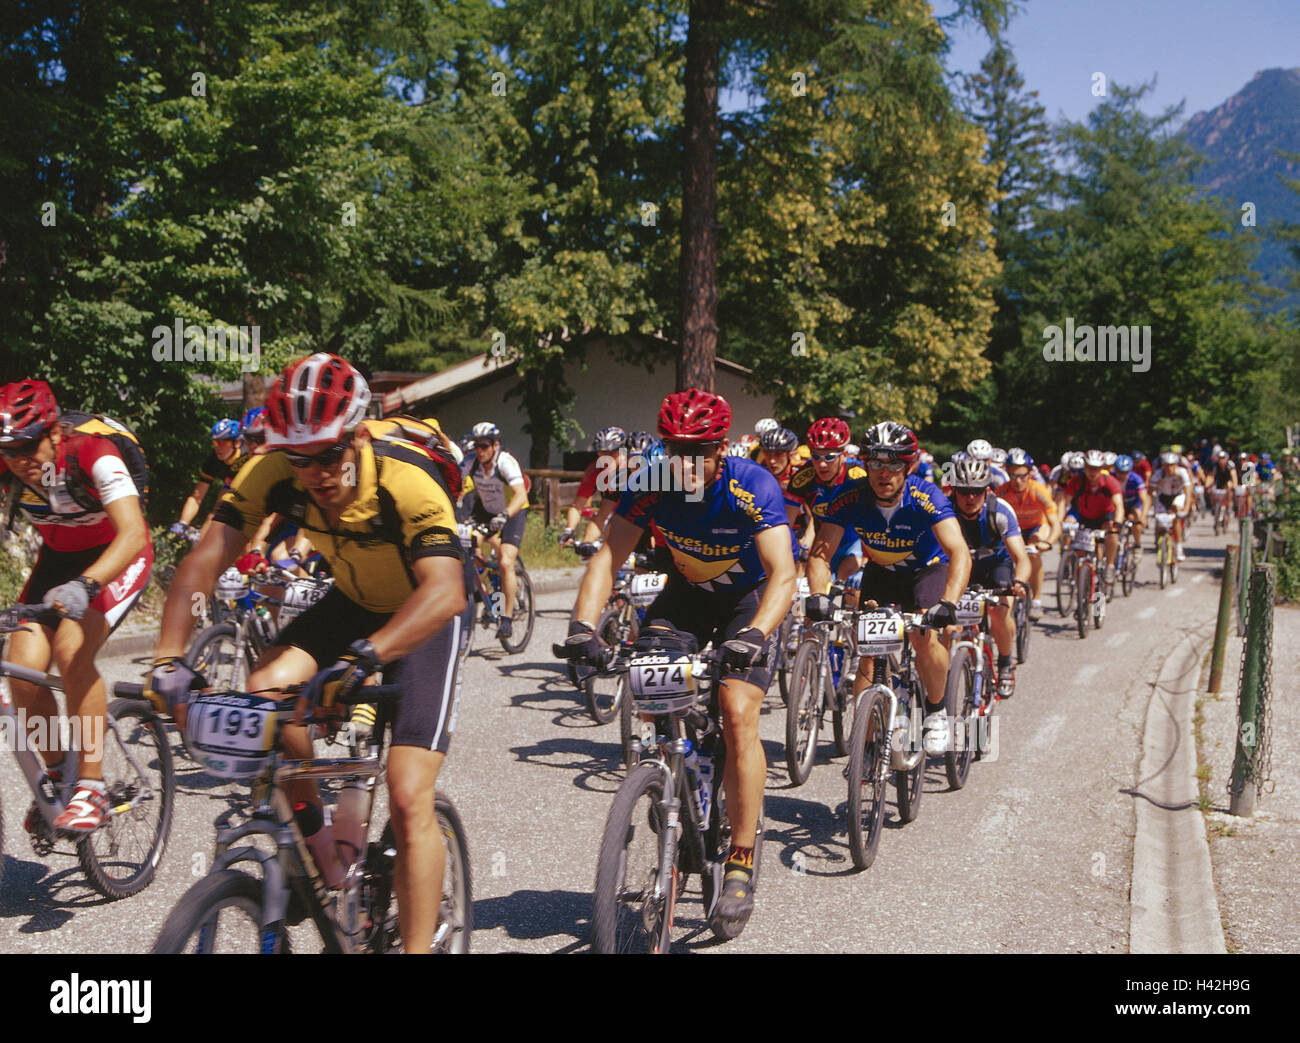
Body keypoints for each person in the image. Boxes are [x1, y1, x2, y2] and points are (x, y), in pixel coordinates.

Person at [147, 353, 470, 953]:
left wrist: (364, 658)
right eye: (299, 458)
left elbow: (446, 590)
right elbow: (204, 560)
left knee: (405, 792)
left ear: (356, 434)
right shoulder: (269, 470)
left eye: (327, 454)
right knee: (262, 695)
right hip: (352, 601)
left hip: (427, 610)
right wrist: (169, 659)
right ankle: (320, 847)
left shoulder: (405, 478)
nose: (314, 471)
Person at [560, 389, 794, 938]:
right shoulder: (652, 481)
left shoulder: (752, 483)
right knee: (651, 688)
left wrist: (758, 633)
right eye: (675, 449)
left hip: (748, 603)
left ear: (721, 450)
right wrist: (581, 626)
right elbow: (609, 556)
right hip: (686, 597)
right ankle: (670, 778)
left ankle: (739, 856)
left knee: (737, 711)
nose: (686, 463)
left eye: (699, 451)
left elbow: (783, 572)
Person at [0, 380, 153, 833]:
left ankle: (91, 788)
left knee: (71, 650)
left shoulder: (93, 453)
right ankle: (59, 772)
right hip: (58, 562)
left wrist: (87, 586)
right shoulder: (9, 463)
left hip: (117, 555)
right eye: (10, 451)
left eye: (30, 446)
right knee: (21, 669)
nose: (22, 460)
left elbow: (131, 533)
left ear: (54, 433)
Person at [804, 421, 972, 755]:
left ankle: (936, 711)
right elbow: (821, 553)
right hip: (882, 571)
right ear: (864, 464)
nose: (884, 472)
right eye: (876, 463)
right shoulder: (849, 496)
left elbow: (959, 552)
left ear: (908, 465)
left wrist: (949, 603)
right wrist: (818, 595)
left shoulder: (925, 496)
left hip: (927, 570)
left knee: (924, 636)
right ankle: (866, 747)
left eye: (894, 463)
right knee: (868, 652)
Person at [948, 458, 1030, 697]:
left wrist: (1020, 582)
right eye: (963, 491)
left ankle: (1005, 664)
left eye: (976, 491)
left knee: (1000, 611)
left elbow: (1021, 557)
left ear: (987, 491)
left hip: (997, 565)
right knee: (946, 621)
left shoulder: (1001, 511)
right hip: (962, 566)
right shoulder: (945, 510)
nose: (970, 497)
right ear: (954, 491)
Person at [785, 417, 867, 603]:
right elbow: (785, 524)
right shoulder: (803, 478)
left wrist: (867, 563)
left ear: (844, 455)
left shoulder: (858, 477)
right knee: (813, 607)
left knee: (853, 596)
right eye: (816, 456)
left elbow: (875, 522)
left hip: (853, 544)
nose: (822, 464)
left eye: (829, 457)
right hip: (822, 546)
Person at [460, 422, 528, 640]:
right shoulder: (470, 462)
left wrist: (505, 515)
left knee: (506, 561)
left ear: (495, 445)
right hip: (485, 513)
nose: (479, 451)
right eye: (476, 446)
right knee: (469, 546)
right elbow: (455, 487)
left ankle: (506, 618)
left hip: (512, 512)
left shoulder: (505, 462)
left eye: (483, 446)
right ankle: (490, 597)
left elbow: (520, 495)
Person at [995, 448, 1059, 620]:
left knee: (1034, 553)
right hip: (1011, 530)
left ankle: (1036, 601)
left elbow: (1055, 523)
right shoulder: (1000, 492)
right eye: (1013, 475)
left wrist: (1049, 542)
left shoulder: (1039, 490)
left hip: (1035, 528)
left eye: (1022, 475)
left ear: (1030, 474)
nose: (1018, 481)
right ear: (1007, 473)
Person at [1054, 449, 1124, 583]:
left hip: (1105, 515)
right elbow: (1065, 501)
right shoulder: (1077, 480)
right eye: (1089, 468)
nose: (1092, 472)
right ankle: (1074, 567)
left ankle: (1109, 566)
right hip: (1084, 515)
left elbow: (1119, 505)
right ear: (1084, 467)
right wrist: (1059, 521)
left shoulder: (1111, 482)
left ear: (1101, 468)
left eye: (1096, 469)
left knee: (1112, 533)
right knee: (1079, 547)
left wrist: (1117, 523)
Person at [174, 418, 248, 535]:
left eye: (223, 442)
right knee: (214, 515)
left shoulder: (249, 454)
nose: (218, 447)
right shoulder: (213, 460)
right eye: (215, 442)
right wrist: (183, 523)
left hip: (254, 488)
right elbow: (197, 497)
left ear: (237, 443)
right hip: (233, 485)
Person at [563, 426, 627, 546]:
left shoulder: (634, 468)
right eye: (601, 452)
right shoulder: (596, 470)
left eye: (610, 452)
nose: (605, 457)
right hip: (616, 517)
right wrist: (570, 531)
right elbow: (578, 506)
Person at [1149, 451, 1195, 561]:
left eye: (1172, 465)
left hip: (1178, 496)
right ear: (1163, 466)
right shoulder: (1158, 474)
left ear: (1176, 465)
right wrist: (1150, 508)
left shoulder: (1182, 473)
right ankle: (1160, 543)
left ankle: (1179, 547)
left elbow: (1188, 492)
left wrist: (1186, 508)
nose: (1169, 468)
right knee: (1160, 521)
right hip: (1163, 497)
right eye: (1167, 466)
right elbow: (1150, 492)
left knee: (1176, 518)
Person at [1113, 454, 1151, 557]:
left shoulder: (1136, 479)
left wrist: (1143, 517)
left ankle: (1137, 545)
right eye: (1119, 472)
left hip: (1133, 504)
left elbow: (1144, 499)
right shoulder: (1111, 477)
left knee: (1135, 518)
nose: (1121, 475)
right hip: (1117, 505)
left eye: (1125, 472)